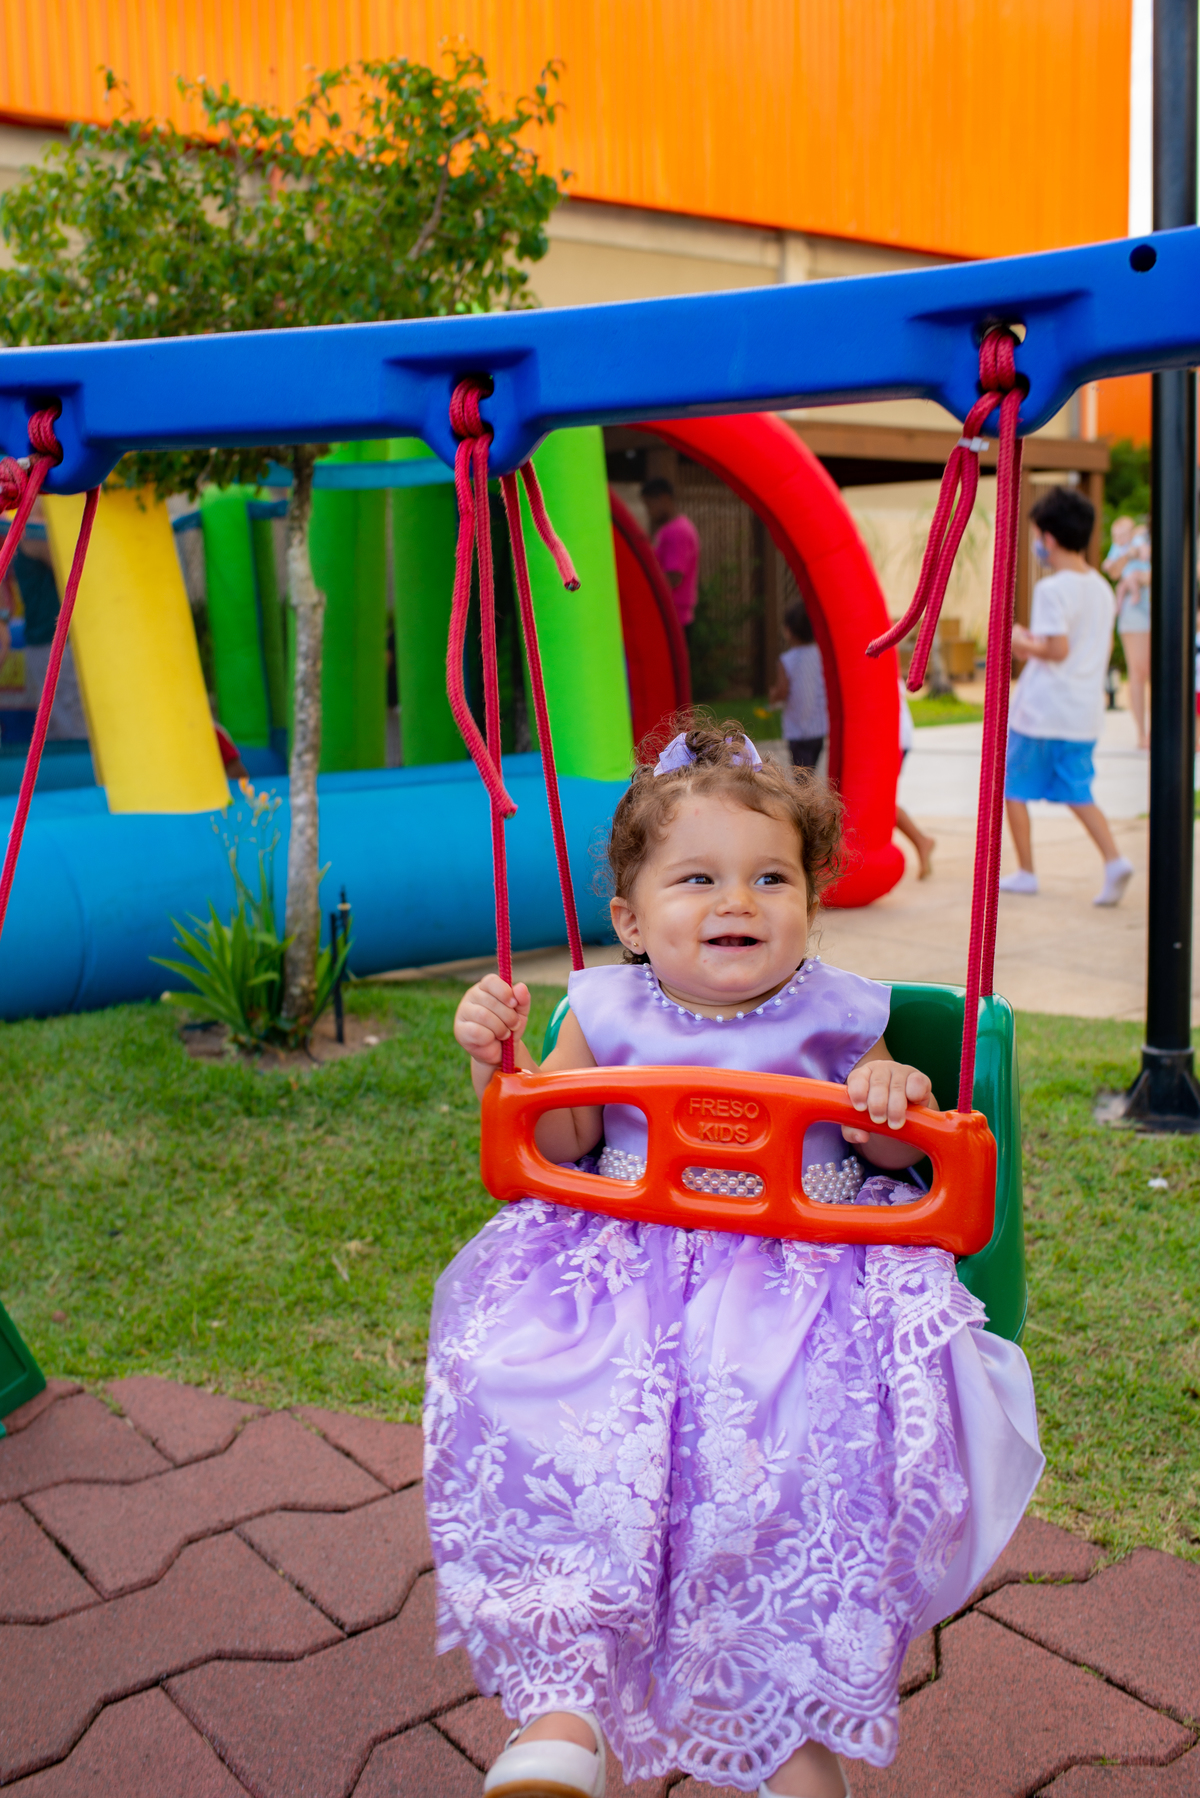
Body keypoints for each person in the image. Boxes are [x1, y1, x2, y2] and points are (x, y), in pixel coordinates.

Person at [431, 721, 1043, 1798]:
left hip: (800, 1288)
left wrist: (890, 1100)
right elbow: (558, 1142)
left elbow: (893, 1153)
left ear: (809, 902)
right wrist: (505, 1066)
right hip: (625, 1282)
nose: (738, 902)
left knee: (794, 1477)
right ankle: (567, 1715)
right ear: (631, 919)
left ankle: (793, 1739)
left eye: (771, 877)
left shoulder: (840, 1013)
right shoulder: (603, 1008)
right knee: (559, 1428)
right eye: (698, 878)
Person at [1000, 487, 1135, 907]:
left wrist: (1020, 641)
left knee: (1012, 787)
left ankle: (1026, 870)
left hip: (1042, 713)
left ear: (1049, 537)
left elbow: (1057, 649)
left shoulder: (1052, 589)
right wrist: (1037, 643)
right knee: (1079, 792)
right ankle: (1114, 859)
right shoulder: (1101, 588)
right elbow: (1082, 646)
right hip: (1082, 714)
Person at [1102, 515, 1151, 751]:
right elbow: (1112, 571)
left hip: (1159, 606)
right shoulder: (1123, 549)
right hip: (1135, 612)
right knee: (1138, 671)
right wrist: (1129, 556)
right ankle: (1142, 733)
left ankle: (1158, 729)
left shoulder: (1143, 537)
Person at [769, 600, 828, 768]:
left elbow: (782, 691)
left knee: (801, 774)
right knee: (811, 768)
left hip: (798, 730)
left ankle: (806, 787)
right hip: (818, 728)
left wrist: (773, 695)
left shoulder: (787, 660)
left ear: (788, 631)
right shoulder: (821, 656)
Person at [642, 477, 700, 640]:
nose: (649, 512)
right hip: (672, 615)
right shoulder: (670, 529)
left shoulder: (677, 532)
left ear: (664, 499)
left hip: (673, 616)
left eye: (650, 505)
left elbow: (674, 577)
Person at [894, 677, 936, 878]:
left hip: (893, 740)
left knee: (881, 802)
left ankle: (921, 841)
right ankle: (921, 841)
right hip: (897, 738)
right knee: (881, 801)